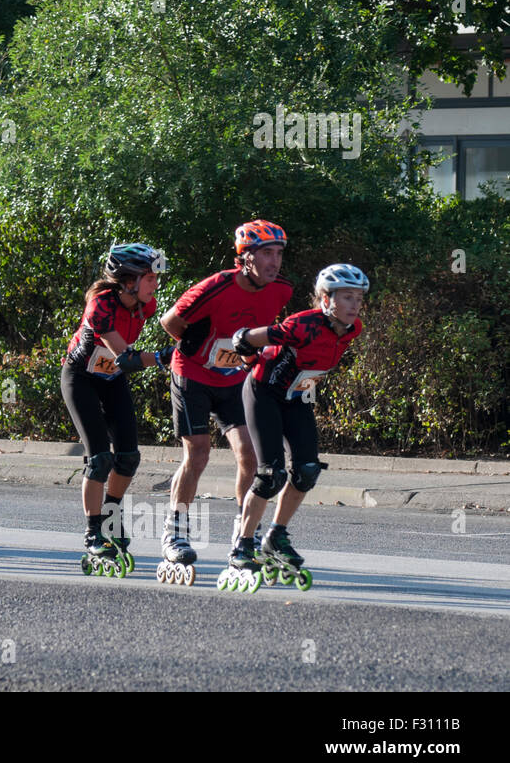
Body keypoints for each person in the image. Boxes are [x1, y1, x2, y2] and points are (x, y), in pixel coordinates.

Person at [157, 220, 293, 573]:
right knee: (198, 453)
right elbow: (170, 321)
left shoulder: (281, 290)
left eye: (278, 254)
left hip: (233, 377)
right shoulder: (216, 286)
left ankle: (244, 535)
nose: (274, 262)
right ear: (245, 258)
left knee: (250, 453)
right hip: (192, 374)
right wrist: (195, 340)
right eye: (266, 254)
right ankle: (175, 532)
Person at [221, 264, 368, 590]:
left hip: (297, 397)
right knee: (271, 475)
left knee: (307, 470)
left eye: (358, 298)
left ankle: (276, 536)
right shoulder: (302, 324)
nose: (355, 305)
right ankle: (242, 545)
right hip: (265, 393)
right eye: (347, 297)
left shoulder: (352, 328)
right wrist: (245, 350)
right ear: (326, 298)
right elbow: (244, 338)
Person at [60, 243, 173, 576]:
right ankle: (93, 531)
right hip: (81, 378)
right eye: (150, 277)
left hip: (110, 378)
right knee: (99, 459)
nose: (155, 283)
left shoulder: (145, 306)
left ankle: (110, 517)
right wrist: (166, 357)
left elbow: (120, 364)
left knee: (128, 457)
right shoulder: (100, 305)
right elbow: (127, 357)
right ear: (126, 281)